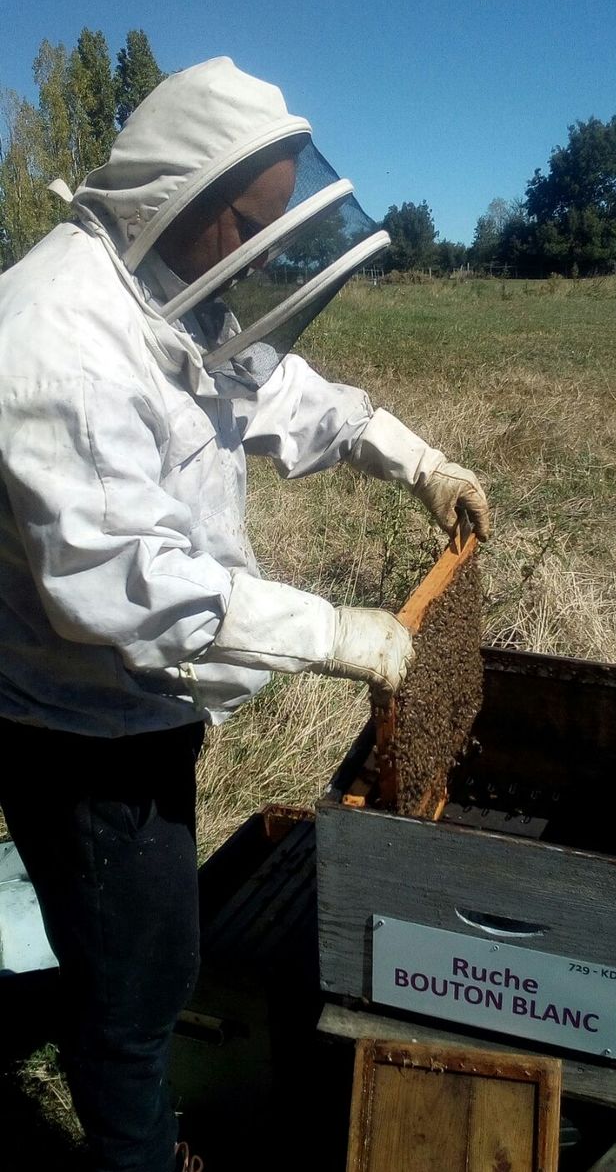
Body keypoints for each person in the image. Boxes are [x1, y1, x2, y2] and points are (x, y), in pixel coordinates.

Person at [0, 58, 490, 1172]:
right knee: (139, 985)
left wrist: (412, 459)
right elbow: (133, 584)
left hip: (137, 709)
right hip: (75, 729)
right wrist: (340, 633)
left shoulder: (163, 291)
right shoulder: (52, 338)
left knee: (133, 951)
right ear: (184, 201)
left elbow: (277, 387)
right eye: (249, 228)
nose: (258, 255)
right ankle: (135, 1150)